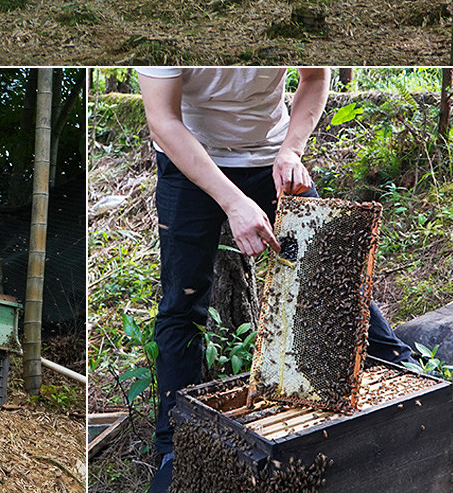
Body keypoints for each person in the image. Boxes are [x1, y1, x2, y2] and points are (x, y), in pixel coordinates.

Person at [136, 67, 415, 493]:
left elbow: (316, 79)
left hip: (272, 155)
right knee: (182, 303)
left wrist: (291, 151)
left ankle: (408, 375)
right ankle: (173, 452)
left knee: (334, 275)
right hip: (188, 160)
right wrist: (233, 203)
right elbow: (164, 121)